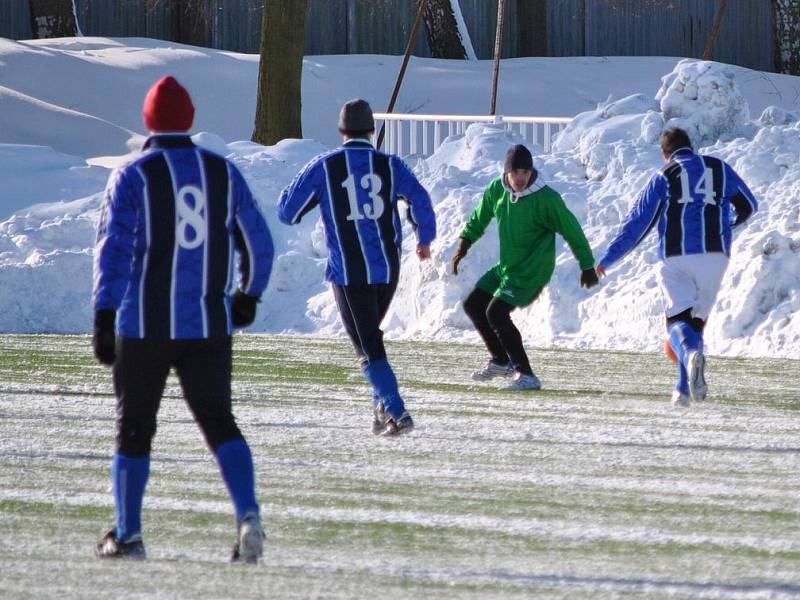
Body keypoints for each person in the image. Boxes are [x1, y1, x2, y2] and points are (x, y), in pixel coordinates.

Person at [92, 75, 274, 562]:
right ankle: (248, 515)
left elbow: (114, 251)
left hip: (144, 324)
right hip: (207, 324)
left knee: (134, 429)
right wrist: (247, 295)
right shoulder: (222, 172)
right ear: (189, 118)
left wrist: (104, 314)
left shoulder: (131, 176)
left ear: (148, 120)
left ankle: (128, 535)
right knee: (220, 421)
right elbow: (258, 242)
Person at [277, 98, 436, 436]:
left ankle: (397, 410)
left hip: (349, 272)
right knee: (369, 339)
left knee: (367, 346)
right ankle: (381, 406)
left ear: (341, 130)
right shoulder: (391, 165)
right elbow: (420, 199)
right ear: (372, 129)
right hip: (387, 270)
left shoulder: (325, 166)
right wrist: (425, 238)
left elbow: (287, 213)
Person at [596, 127, 758, 406]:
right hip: (716, 256)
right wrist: (727, 224)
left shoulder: (664, 174)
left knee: (677, 322)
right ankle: (683, 390)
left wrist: (609, 258)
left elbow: (638, 223)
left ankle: (690, 367)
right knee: (696, 324)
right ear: (691, 147)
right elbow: (749, 205)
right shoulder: (719, 167)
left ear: (665, 153)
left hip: (677, 256)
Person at [451, 144, 598, 390]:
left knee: (496, 313)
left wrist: (587, 265)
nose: (521, 178)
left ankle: (526, 374)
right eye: (516, 172)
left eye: (525, 172)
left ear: (531, 172)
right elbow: (480, 216)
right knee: (473, 305)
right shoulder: (497, 189)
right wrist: (463, 245)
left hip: (532, 270)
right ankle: (501, 360)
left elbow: (573, 230)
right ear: (506, 172)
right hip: (507, 267)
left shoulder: (547, 199)